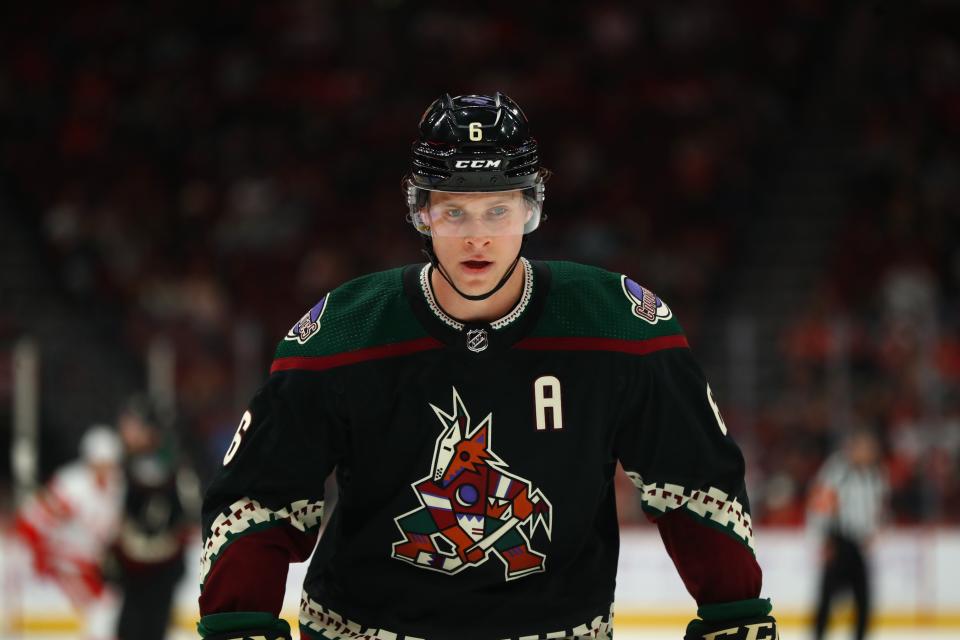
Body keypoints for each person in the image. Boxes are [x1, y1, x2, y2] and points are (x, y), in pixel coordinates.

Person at [197, 93, 778, 640]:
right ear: (421, 213)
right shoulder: (343, 334)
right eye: (454, 211)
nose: (477, 237)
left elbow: (696, 478)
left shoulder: (620, 328)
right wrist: (240, 620)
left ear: (531, 209)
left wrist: (734, 612)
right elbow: (259, 496)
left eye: (497, 209)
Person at [12, 425, 124, 640]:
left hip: (92, 565)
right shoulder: (72, 486)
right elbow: (31, 521)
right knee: (103, 612)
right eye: (100, 464)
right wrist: (40, 557)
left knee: (109, 610)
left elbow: (111, 529)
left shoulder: (116, 486)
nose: (105, 469)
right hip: (65, 564)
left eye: (109, 464)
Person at [104, 395, 201, 640]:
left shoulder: (165, 467)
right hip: (145, 565)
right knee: (140, 626)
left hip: (155, 565)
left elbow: (187, 513)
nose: (126, 431)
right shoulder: (170, 464)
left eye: (133, 425)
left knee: (144, 626)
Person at [808, 428, 888, 640]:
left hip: (858, 543)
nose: (870, 453)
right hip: (838, 541)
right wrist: (824, 539)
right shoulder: (837, 470)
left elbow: (877, 506)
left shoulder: (874, 475)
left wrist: (872, 531)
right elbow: (820, 503)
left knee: (863, 599)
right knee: (827, 599)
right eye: (865, 448)